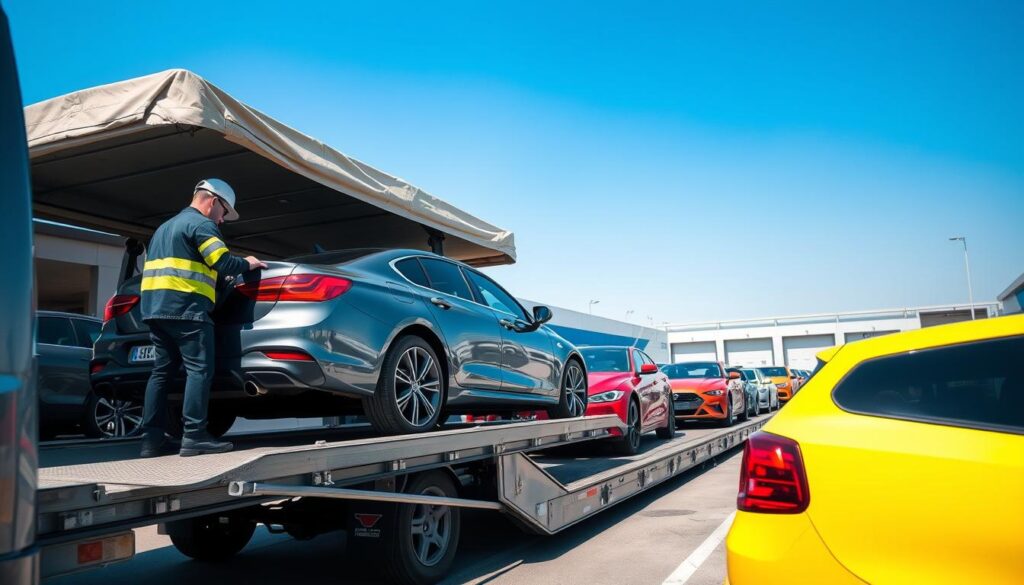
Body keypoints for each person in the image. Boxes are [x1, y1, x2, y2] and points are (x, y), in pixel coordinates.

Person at [139, 179, 266, 457]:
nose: (222, 220)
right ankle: (195, 436)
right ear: (212, 201)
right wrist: (249, 262)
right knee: (199, 371)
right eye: (224, 212)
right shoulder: (202, 225)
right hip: (187, 310)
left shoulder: (164, 228)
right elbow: (221, 262)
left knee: (161, 374)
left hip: (155, 310)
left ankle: (151, 441)